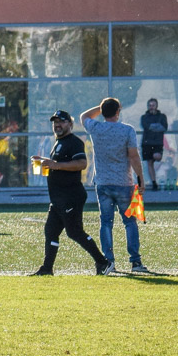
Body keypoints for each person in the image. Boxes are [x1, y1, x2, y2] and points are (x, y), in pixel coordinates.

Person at [30, 111, 110, 276]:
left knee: (74, 232)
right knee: (51, 231)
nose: (57, 125)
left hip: (70, 196)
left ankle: (103, 262)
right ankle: (47, 269)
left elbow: (81, 163)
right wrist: (45, 161)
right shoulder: (59, 142)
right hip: (59, 198)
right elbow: (59, 163)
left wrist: (56, 165)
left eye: (61, 121)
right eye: (55, 122)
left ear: (70, 124)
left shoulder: (74, 142)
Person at [79, 97, 147, 275]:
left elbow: (84, 116)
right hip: (124, 182)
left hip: (103, 182)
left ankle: (109, 261)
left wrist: (101, 107)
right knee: (130, 222)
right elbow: (133, 156)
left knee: (106, 223)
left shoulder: (96, 128)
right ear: (118, 112)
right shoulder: (127, 130)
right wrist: (140, 178)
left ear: (103, 112)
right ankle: (135, 261)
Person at [140, 99, 168, 190]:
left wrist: (152, 127)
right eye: (150, 105)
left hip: (157, 142)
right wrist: (157, 126)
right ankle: (154, 182)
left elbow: (164, 127)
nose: (151, 107)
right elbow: (146, 126)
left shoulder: (162, 116)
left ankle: (156, 178)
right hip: (147, 142)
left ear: (156, 106)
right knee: (149, 162)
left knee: (157, 156)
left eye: (153, 105)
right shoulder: (144, 117)